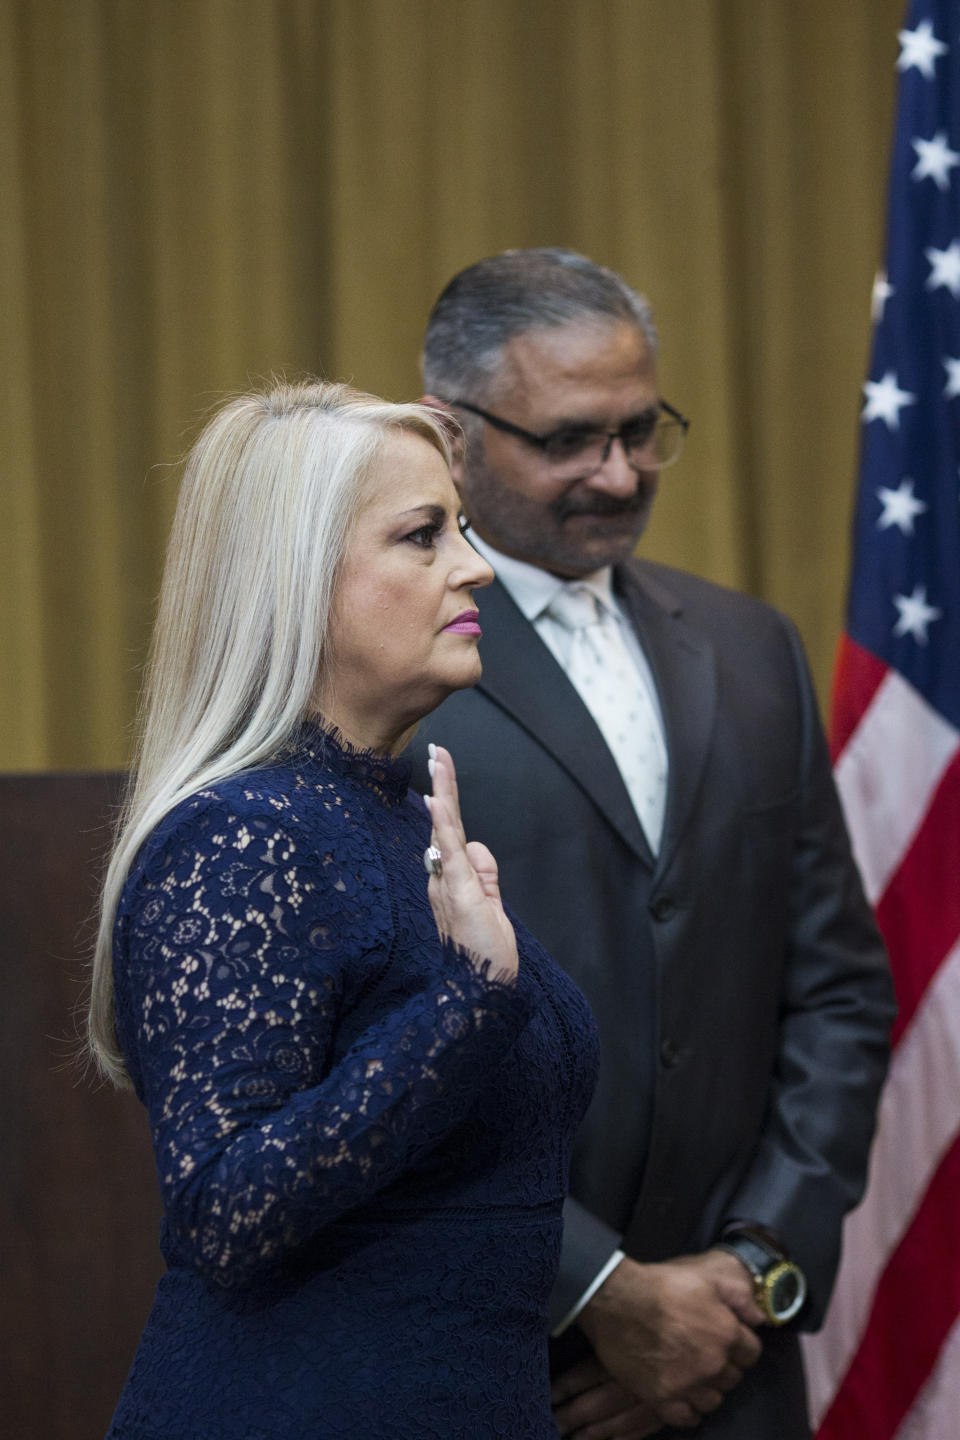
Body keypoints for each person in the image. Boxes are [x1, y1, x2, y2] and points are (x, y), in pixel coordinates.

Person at [409, 248, 895, 1439]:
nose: (619, 475)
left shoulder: (750, 648)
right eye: (570, 438)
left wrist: (742, 1277)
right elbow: (373, 1036)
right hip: (498, 1368)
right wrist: (603, 1293)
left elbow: (835, 992)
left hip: (737, 1374)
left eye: (642, 430)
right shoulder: (384, 666)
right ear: (451, 432)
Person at [86, 379, 599, 1439]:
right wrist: (467, 1005)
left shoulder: (398, 812)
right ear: (300, 579)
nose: (476, 565)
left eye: (459, 527)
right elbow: (221, 1212)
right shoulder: (240, 835)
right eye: (424, 535)